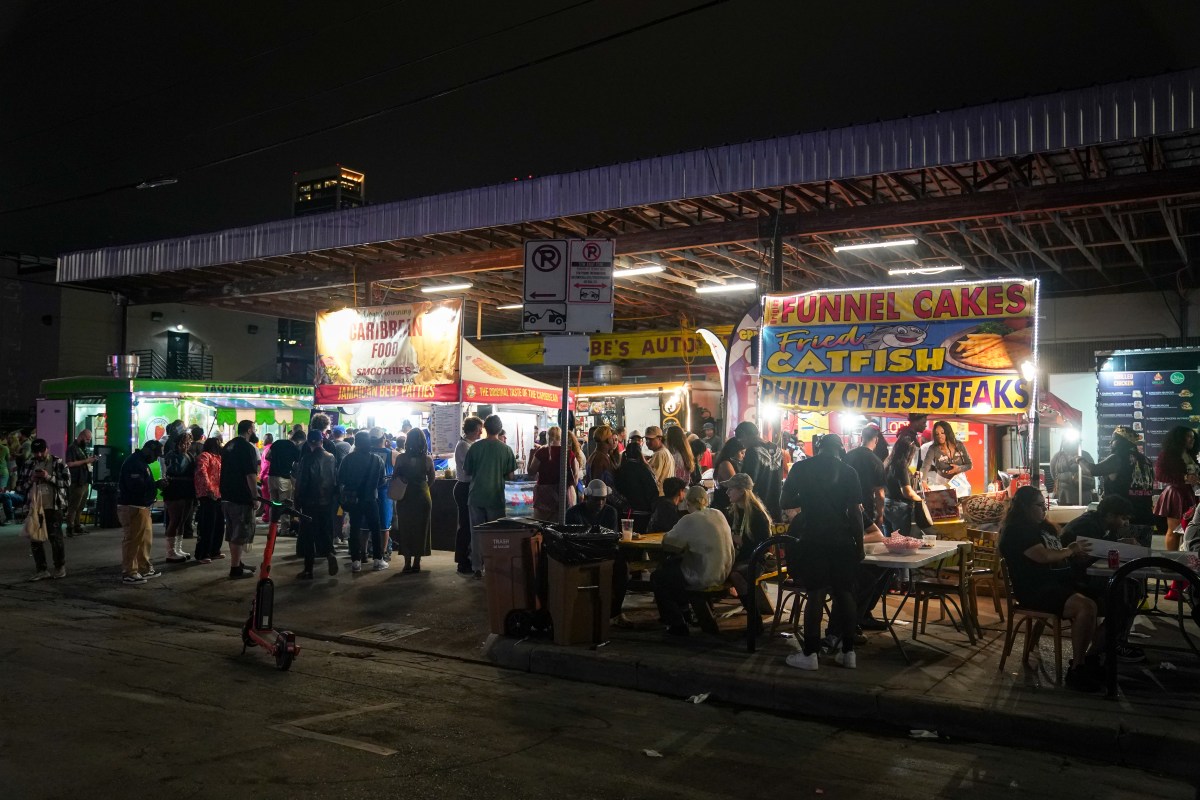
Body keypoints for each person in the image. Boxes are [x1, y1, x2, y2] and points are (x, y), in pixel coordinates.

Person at [999, 485, 1105, 691]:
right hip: (1036, 590)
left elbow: (1056, 554)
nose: (1044, 510)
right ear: (1024, 507)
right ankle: (1077, 668)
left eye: (1044, 504)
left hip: (1060, 583)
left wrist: (1073, 555)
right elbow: (1044, 556)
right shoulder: (1016, 531)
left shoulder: (1043, 528)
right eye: (1039, 505)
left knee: (1107, 600)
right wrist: (1069, 550)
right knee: (1086, 607)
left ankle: (1091, 657)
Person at [782, 434, 865, 671]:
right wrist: (859, 546)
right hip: (842, 541)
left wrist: (808, 496)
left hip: (813, 539)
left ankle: (810, 654)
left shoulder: (801, 468)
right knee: (845, 593)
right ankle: (848, 652)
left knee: (816, 594)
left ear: (818, 447)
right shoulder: (849, 472)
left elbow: (784, 500)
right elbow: (855, 514)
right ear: (841, 449)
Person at [651, 486, 735, 636]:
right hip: (724, 572)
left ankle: (676, 623)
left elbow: (669, 543)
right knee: (673, 569)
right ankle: (685, 611)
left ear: (688, 503)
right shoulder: (718, 514)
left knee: (659, 577)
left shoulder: (690, 519)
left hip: (704, 575)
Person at [842, 426, 890, 630]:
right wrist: (880, 515)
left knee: (861, 568)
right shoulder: (876, 462)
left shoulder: (848, 456)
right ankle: (861, 613)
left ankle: (859, 613)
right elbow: (879, 493)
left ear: (861, 437)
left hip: (846, 512)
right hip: (865, 513)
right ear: (877, 439)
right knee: (876, 566)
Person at [463, 415, 517, 579]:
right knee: (496, 534)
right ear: (500, 430)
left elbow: (467, 471)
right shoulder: (506, 449)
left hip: (476, 496)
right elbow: (511, 477)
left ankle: (477, 567)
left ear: (485, 428)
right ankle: (495, 565)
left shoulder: (475, 447)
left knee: (476, 533)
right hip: (496, 498)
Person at [17, 438, 72, 581]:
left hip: (53, 506)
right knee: (35, 538)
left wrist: (48, 477)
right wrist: (31, 480)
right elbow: (19, 487)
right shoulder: (28, 464)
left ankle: (60, 567)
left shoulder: (57, 462)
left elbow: (66, 482)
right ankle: (41, 569)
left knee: (55, 538)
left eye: (41, 451)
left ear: (47, 449)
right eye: (36, 452)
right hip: (35, 507)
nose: (39, 455)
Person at [337, 430, 388, 573]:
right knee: (375, 529)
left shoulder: (348, 459)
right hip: (371, 498)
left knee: (355, 529)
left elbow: (341, 479)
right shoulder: (377, 460)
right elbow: (382, 481)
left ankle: (356, 562)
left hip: (354, 500)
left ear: (356, 443)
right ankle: (378, 560)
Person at [1090, 426, 1157, 530]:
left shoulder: (1117, 458)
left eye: (1113, 440)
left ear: (1120, 441)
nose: (1110, 443)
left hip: (1122, 518)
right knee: (1141, 546)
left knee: (1119, 546)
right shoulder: (1146, 460)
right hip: (1145, 517)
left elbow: (1093, 470)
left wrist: (1079, 460)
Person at [117, 440, 165, 585]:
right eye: (156, 455)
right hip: (133, 507)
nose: (156, 458)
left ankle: (143, 568)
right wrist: (155, 485)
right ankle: (129, 572)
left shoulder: (140, 462)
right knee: (132, 540)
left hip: (141, 507)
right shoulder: (135, 464)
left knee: (144, 540)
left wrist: (155, 485)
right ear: (149, 450)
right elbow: (136, 488)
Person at [293, 430, 339, 579]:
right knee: (325, 530)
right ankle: (330, 553)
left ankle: (308, 569)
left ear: (308, 442)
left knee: (308, 535)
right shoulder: (331, 457)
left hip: (309, 502)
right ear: (322, 441)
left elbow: (302, 482)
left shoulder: (306, 459)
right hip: (327, 501)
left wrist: (297, 501)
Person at [220, 420, 260, 579]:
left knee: (232, 531)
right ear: (250, 430)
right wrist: (254, 496)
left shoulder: (229, 445)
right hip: (241, 496)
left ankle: (238, 562)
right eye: (254, 428)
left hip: (226, 494)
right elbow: (250, 474)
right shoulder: (247, 448)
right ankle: (235, 568)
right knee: (240, 532)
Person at [392, 427, 436, 573]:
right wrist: (423, 487)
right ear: (424, 442)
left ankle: (407, 562)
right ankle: (417, 561)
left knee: (406, 528)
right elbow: (432, 479)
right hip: (423, 496)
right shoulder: (428, 460)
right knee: (421, 529)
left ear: (407, 441)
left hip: (405, 496)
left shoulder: (400, 458)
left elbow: (395, 477)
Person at [1153, 426, 1199, 553]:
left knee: (1190, 530)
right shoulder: (1167, 454)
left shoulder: (1191, 455)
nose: (1192, 440)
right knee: (1175, 531)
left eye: (1193, 437)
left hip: (1192, 494)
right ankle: (1170, 563)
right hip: (1177, 495)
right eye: (1189, 437)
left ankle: (1186, 561)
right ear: (1179, 438)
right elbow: (1159, 475)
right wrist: (1184, 477)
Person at [879, 437, 932, 537]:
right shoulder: (901, 465)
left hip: (887, 504)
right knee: (900, 541)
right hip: (899, 508)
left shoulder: (887, 462)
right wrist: (920, 499)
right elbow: (907, 492)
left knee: (889, 540)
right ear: (909, 452)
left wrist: (912, 477)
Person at [528, 426, 581, 522]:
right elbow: (575, 479)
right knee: (561, 524)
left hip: (543, 496)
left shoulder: (541, 452)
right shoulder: (569, 454)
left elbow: (531, 472)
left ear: (547, 437)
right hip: (564, 494)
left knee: (542, 525)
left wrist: (531, 455)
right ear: (561, 437)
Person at [453, 416, 484, 575]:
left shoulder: (470, 444)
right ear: (473, 430)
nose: (481, 432)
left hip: (468, 487)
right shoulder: (464, 446)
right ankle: (462, 561)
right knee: (465, 526)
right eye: (479, 429)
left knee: (467, 525)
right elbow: (470, 469)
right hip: (464, 487)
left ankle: (468, 558)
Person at [735, 421, 783, 521]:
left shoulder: (753, 450)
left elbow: (748, 481)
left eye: (741, 440)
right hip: (776, 504)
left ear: (744, 435)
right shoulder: (777, 449)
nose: (742, 445)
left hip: (758, 506)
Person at [162, 430, 197, 563]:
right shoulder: (172, 455)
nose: (186, 445)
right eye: (184, 442)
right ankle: (170, 552)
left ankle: (178, 548)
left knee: (183, 520)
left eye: (188, 442)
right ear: (177, 443)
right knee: (175, 520)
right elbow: (176, 470)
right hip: (175, 489)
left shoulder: (189, 454)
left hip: (187, 490)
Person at [614, 442, 662, 533]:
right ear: (640, 453)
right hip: (643, 512)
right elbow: (652, 491)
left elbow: (616, 489)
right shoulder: (644, 469)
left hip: (625, 512)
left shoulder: (620, 470)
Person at [192, 434, 225, 563]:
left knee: (219, 525)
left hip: (218, 495)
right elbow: (202, 471)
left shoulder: (219, 458)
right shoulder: (205, 456)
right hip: (208, 495)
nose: (220, 444)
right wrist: (208, 488)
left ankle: (214, 550)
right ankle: (202, 553)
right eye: (218, 442)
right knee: (207, 525)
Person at [265, 428, 302, 532]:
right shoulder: (295, 448)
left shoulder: (278, 442)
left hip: (271, 476)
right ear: (299, 441)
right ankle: (284, 528)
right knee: (284, 504)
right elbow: (298, 463)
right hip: (284, 479)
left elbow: (267, 456)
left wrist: (276, 462)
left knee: (274, 503)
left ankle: (272, 527)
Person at [918, 421, 972, 491]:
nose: (939, 435)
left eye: (942, 433)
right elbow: (925, 466)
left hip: (960, 481)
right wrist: (923, 481)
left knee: (962, 501)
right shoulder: (933, 448)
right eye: (937, 434)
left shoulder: (959, 445)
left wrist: (959, 468)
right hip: (942, 482)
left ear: (948, 432)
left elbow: (969, 465)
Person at [64, 428, 97, 536]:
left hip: (84, 480)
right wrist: (86, 461)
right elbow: (69, 464)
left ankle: (77, 526)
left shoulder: (82, 448)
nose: (88, 441)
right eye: (87, 439)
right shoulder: (72, 448)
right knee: (74, 505)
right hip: (76, 481)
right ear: (81, 436)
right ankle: (70, 527)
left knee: (81, 506)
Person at [1050, 441, 1095, 506]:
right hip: (1063, 496)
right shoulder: (1057, 457)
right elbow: (1054, 475)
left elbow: (1090, 472)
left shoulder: (1085, 455)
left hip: (1082, 496)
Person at [710, 437, 745, 513]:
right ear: (733, 451)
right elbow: (735, 484)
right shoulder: (726, 464)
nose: (743, 455)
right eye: (741, 452)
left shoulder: (729, 462)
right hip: (724, 503)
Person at [642, 425, 673, 493]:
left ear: (660, 438)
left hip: (659, 496)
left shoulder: (659, 454)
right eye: (646, 439)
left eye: (651, 439)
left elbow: (651, 478)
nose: (647, 441)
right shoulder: (667, 452)